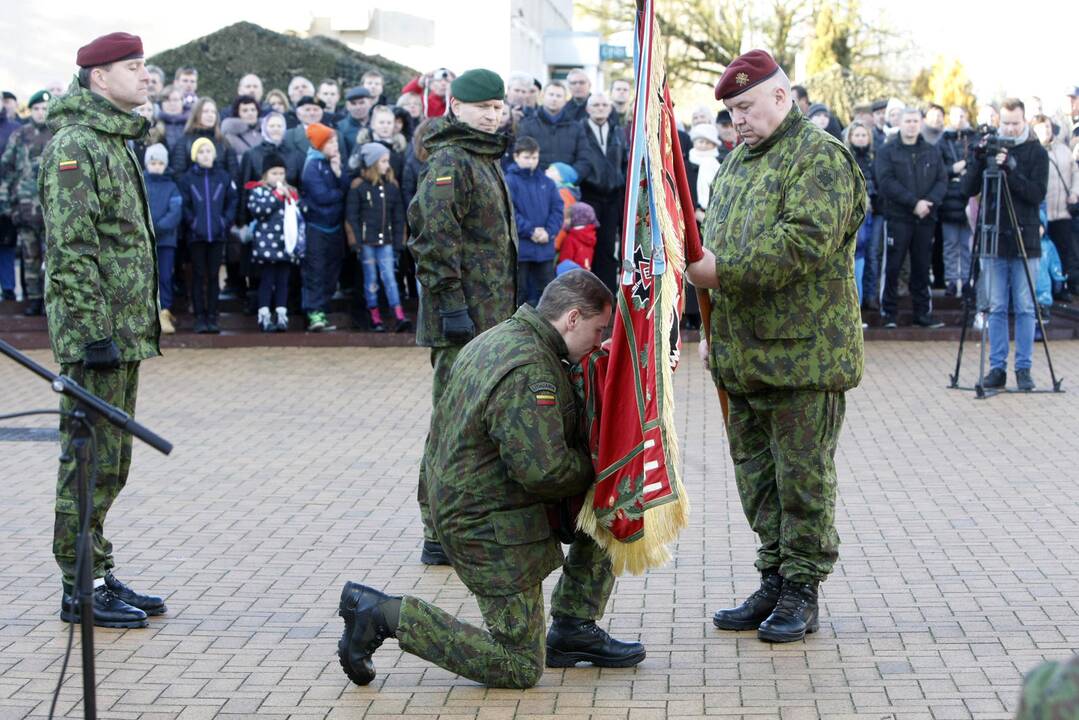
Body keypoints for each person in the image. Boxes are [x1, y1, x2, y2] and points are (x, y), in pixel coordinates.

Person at [337, 269, 646, 688]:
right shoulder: (529, 371)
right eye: (597, 329)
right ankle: (386, 615)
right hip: (485, 524)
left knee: (611, 508)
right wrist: (601, 466)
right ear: (572, 318)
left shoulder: (505, 337)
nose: (598, 340)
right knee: (519, 664)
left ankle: (573, 627)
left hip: (477, 500)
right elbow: (545, 473)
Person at [686, 49, 866, 643]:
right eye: (732, 110)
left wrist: (721, 271)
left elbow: (803, 242)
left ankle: (802, 588)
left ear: (782, 97)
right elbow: (714, 238)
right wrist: (716, 332)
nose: (737, 119)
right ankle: (774, 574)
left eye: (746, 106)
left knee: (802, 478)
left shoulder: (819, 158)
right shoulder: (739, 164)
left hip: (802, 357)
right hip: (745, 355)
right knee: (758, 478)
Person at [41, 31, 167, 628]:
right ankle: (79, 586)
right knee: (86, 462)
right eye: (133, 67)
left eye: (145, 66)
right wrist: (94, 332)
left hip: (122, 335)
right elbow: (71, 249)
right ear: (98, 78)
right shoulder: (75, 145)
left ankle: (96, 566)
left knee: (111, 462)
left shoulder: (115, 140)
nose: (147, 76)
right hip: (97, 339)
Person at [406, 69, 517, 565]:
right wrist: (451, 304)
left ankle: (462, 521)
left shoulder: (483, 156)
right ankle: (437, 529)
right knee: (453, 422)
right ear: (455, 106)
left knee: (475, 423)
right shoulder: (451, 159)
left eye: (498, 106)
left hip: (489, 317)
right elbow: (433, 238)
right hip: (464, 320)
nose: (493, 115)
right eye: (483, 107)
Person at [961, 98, 1048, 392]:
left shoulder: (1036, 151)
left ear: (1024, 121)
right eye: (1006, 123)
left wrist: (1012, 169)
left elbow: (1037, 194)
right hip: (993, 239)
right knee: (995, 306)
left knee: (1025, 307)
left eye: (1015, 123)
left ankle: (1024, 369)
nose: (1010, 129)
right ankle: (997, 368)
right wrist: (977, 158)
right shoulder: (991, 147)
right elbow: (967, 189)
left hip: (1025, 239)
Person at [874, 108, 947, 328]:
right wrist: (913, 203)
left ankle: (922, 313)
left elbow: (942, 180)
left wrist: (927, 203)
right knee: (893, 266)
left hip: (925, 219)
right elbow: (885, 182)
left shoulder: (931, 151)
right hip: (898, 218)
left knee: (922, 267)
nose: (912, 125)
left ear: (921, 123)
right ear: (900, 123)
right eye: (908, 121)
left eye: (916, 121)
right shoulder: (887, 151)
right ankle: (888, 313)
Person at [344, 142, 410, 332]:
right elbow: (352, 217)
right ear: (372, 163)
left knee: (390, 278)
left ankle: (398, 315)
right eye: (383, 161)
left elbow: (398, 217)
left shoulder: (392, 186)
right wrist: (355, 242)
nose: (387, 165)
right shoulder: (358, 187)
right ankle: (375, 317)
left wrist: (399, 242)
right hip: (366, 243)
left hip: (387, 241)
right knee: (371, 280)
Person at [1, 89, 53, 316]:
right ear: (30, 110)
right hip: (25, 209)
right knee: (30, 257)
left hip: (53, 210)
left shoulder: (58, 133)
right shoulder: (19, 136)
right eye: (37, 109)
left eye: (45, 109)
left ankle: (51, 300)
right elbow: (6, 170)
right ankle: (34, 298)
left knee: (53, 259)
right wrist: (6, 204)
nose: (41, 113)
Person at [178, 138, 238, 334]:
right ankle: (199, 317)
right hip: (197, 237)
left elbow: (232, 201)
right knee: (198, 276)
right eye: (201, 151)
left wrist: (224, 222)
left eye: (208, 151)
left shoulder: (223, 177)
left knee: (213, 277)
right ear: (195, 155)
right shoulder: (187, 179)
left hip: (217, 236)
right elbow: (184, 205)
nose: (205, 154)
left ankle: (212, 316)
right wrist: (193, 223)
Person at [300, 122, 349, 332]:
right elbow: (322, 196)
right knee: (316, 271)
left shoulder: (334, 162)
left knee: (332, 270)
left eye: (336, 141)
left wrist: (339, 173)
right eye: (330, 142)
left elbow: (345, 187)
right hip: (317, 228)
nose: (335, 146)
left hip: (335, 227)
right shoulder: (312, 166)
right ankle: (314, 312)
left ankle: (324, 308)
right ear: (320, 145)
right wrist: (339, 193)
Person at [247, 152, 304, 332]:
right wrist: (276, 197)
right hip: (267, 247)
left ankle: (281, 314)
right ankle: (264, 314)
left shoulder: (291, 191)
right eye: (274, 173)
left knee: (283, 281)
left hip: (286, 245)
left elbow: (300, 213)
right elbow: (258, 210)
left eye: (281, 173)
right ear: (265, 174)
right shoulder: (258, 191)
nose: (278, 177)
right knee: (267, 280)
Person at [506, 136, 563, 306]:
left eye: (535, 157)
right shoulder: (509, 181)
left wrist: (549, 231)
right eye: (527, 157)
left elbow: (557, 209)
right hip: (521, 248)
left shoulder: (547, 183)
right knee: (519, 291)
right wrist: (530, 231)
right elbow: (510, 212)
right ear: (516, 157)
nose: (531, 161)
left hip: (544, 246)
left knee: (547, 292)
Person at [577, 92, 626, 292]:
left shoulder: (618, 131)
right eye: (595, 104)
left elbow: (624, 162)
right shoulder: (579, 130)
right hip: (589, 195)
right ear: (588, 108)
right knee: (587, 245)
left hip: (613, 196)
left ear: (610, 108)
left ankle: (606, 295)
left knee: (607, 246)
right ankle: (586, 294)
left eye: (604, 104)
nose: (600, 108)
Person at [1032, 114, 1077, 302]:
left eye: (1048, 127)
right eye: (1042, 128)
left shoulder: (1063, 149)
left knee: (1065, 251)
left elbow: (1075, 171)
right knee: (1044, 254)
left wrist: (1075, 192)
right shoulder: (1033, 151)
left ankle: (1064, 286)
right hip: (1042, 212)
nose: (1046, 131)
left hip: (1063, 211)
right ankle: (1045, 289)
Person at [143, 143, 182, 334]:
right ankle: (147, 313)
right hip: (143, 240)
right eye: (153, 162)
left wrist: (158, 227)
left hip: (166, 240)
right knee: (146, 276)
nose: (156, 166)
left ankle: (164, 311)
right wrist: (147, 228)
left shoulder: (172, 186)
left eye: (160, 163)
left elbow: (175, 211)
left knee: (165, 276)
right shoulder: (139, 182)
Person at [516, 81, 588, 179]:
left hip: (566, 185)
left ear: (565, 100)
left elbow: (584, 159)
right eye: (551, 94)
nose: (554, 99)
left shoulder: (576, 127)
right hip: (535, 183)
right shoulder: (527, 125)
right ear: (543, 96)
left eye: (559, 96)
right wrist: (543, 178)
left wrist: (567, 176)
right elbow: (521, 155)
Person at [939, 114, 977, 298]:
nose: (959, 119)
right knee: (950, 245)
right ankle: (952, 281)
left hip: (968, 199)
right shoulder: (942, 141)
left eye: (962, 115)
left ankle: (967, 280)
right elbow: (938, 169)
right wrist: (953, 170)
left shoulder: (974, 139)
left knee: (967, 244)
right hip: (948, 201)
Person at [168, 97, 238, 179]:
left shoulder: (223, 142)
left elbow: (233, 173)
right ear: (196, 115)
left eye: (213, 112)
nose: (210, 115)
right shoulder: (184, 142)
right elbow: (178, 174)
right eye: (205, 111)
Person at [846, 122, 876, 306]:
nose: (860, 138)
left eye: (863, 135)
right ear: (850, 137)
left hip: (872, 212)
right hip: (853, 211)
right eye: (856, 135)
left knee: (869, 257)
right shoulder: (845, 156)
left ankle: (866, 300)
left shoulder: (874, 158)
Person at [348, 105, 407, 181]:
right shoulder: (363, 144)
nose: (385, 126)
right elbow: (353, 168)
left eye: (389, 123)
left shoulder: (398, 147)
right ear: (373, 125)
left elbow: (402, 174)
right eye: (381, 123)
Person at [337, 86, 374, 161]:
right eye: (353, 104)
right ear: (347, 106)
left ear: (370, 103)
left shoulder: (378, 124)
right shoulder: (340, 128)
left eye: (362, 103)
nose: (358, 107)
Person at [156, 85, 188, 149]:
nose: (172, 103)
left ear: (182, 102)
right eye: (168, 100)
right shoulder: (154, 124)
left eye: (175, 100)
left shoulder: (191, 124)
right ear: (161, 103)